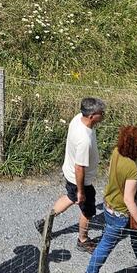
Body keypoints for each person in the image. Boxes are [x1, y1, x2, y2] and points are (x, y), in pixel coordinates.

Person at [81, 125, 137, 273]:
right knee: (107, 244)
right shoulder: (132, 169)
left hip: (110, 206)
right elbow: (128, 199)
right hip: (121, 213)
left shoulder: (116, 152)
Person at [36, 97, 106, 251]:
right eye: (101, 113)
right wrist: (81, 191)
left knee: (70, 197)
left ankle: (45, 222)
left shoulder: (77, 119)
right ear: (92, 116)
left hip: (70, 173)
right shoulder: (84, 140)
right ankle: (83, 240)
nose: (104, 115)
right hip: (80, 180)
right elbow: (79, 167)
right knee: (88, 211)